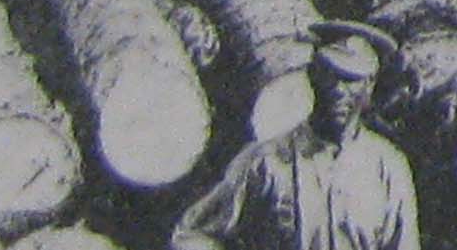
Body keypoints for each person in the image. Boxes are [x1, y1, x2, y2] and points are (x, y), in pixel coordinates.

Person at [172, 22, 419, 250]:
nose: (337, 90)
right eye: (328, 75)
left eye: (350, 80)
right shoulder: (265, 162)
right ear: (312, 76)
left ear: (370, 86)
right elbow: (192, 235)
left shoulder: (388, 168)